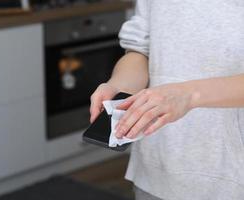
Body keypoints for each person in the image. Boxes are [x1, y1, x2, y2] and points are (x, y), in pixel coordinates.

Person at [89, 0, 244, 199]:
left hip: (233, 179)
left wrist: (188, 95)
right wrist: (119, 87)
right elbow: (140, 50)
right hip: (158, 172)